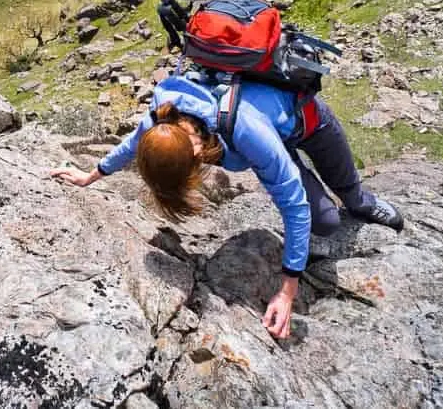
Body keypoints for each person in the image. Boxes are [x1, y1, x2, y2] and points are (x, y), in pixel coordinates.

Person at [50, 73, 404, 339]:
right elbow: (131, 145)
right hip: (270, 139)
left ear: (193, 152)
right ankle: (327, 196)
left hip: (307, 123)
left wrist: (287, 290)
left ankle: (362, 202)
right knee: (325, 220)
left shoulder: (246, 130)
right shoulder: (161, 122)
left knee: (338, 203)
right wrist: (90, 175)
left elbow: (293, 206)